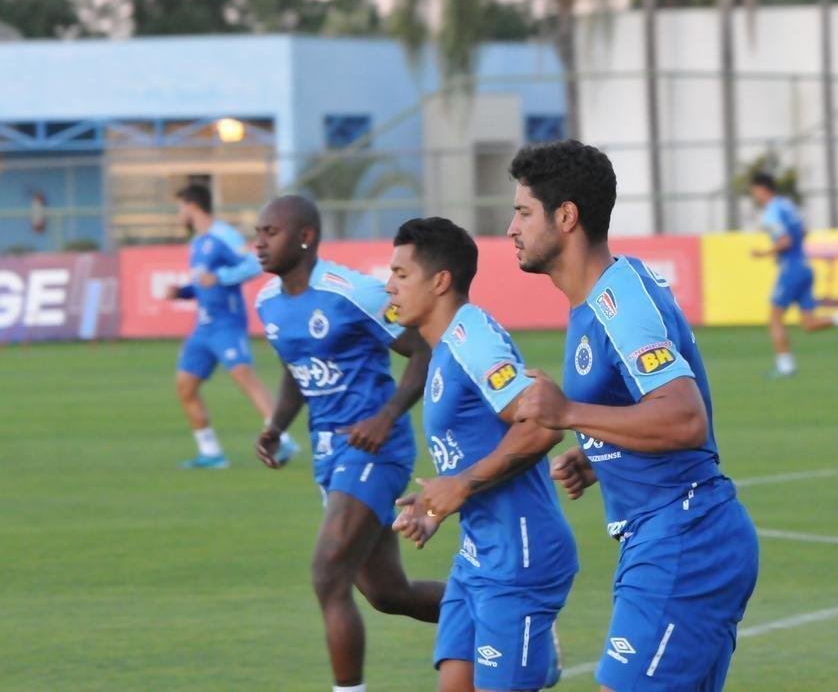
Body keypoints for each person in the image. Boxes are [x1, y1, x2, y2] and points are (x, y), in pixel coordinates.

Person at [504, 139, 759, 691]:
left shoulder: (619, 301)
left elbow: (685, 419)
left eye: (524, 211)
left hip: (684, 537)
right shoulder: (605, 295)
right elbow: (650, 408)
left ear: (565, 217)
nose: (511, 227)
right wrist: (603, 453)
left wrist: (570, 412)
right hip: (676, 534)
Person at [251, 195, 444, 692]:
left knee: (327, 572)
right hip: (329, 454)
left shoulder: (351, 291)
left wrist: (385, 416)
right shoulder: (267, 303)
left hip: (375, 449)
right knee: (387, 592)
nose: (258, 243)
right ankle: (503, 614)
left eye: (270, 232)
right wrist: (275, 425)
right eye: (257, 233)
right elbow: (298, 369)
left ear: (305, 237)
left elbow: (421, 349)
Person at [387, 216, 576, 692]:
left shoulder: (473, 340)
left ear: (440, 281)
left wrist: (462, 485)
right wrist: (436, 506)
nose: (388, 286)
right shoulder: (443, 350)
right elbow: (476, 449)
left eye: (401, 275)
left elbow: (541, 424)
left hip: (520, 556)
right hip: (477, 556)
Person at [166, 183, 299, 469]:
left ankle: (282, 437)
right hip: (203, 328)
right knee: (185, 387)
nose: (179, 214)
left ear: (191, 206)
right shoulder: (197, 243)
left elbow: (255, 263)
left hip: (227, 324)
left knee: (245, 378)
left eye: (180, 207)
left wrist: (223, 276)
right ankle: (211, 453)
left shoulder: (222, 235)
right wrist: (182, 292)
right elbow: (204, 284)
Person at [747, 171, 838, 379]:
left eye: (754, 192)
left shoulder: (771, 213)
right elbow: (803, 231)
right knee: (808, 324)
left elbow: (785, 241)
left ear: (762, 189)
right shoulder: (788, 205)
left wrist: (764, 253)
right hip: (805, 266)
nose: (754, 197)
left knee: (775, 318)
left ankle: (785, 366)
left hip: (791, 269)